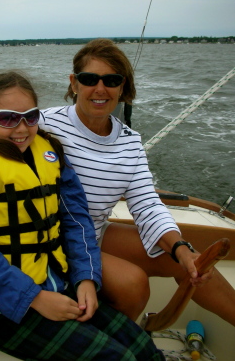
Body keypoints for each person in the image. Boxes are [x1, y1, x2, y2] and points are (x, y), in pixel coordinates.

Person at [0, 70, 165, 360]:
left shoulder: (50, 152)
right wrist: (34, 298)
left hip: (59, 286)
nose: (21, 128)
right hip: (3, 309)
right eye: (8, 118)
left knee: (143, 348)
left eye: (31, 116)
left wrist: (86, 279)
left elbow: (77, 221)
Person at [39, 38, 235, 326]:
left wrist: (181, 248)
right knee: (134, 284)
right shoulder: (44, 124)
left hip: (92, 233)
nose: (100, 88)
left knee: (189, 259)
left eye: (112, 80)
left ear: (123, 86)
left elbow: (146, 205)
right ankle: (110, 344)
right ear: (74, 83)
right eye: (90, 78)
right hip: (53, 242)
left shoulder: (130, 142)